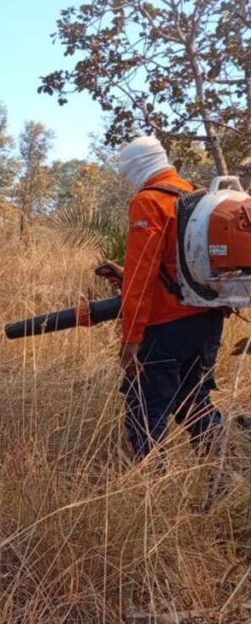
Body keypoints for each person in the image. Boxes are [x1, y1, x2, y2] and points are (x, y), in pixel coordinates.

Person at [117, 136, 224, 459]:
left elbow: (141, 276)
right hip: (207, 319)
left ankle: (150, 487)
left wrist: (131, 338)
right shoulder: (198, 194)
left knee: (146, 407)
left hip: (165, 327)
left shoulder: (149, 202)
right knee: (194, 400)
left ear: (135, 167)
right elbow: (179, 263)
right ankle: (223, 471)